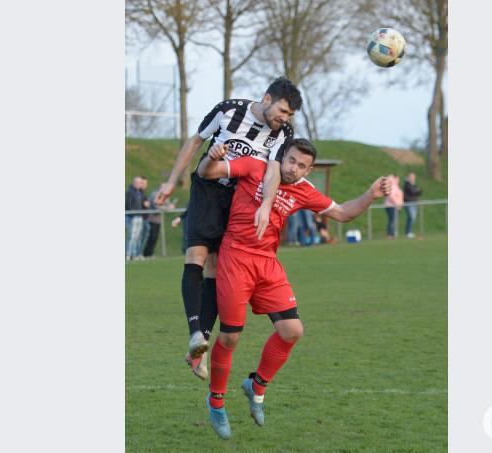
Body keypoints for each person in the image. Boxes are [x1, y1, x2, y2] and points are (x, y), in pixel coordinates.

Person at [196, 138, 391, 439]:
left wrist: (371, 194)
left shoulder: (304, 190)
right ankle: (216, 402)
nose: (293, 168)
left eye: (302, 165)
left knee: (292, 331)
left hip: (268, 264)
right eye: (291, 160)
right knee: (231, 336)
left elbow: (343, 213)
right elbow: (209, 172)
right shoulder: (255, 167)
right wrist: (212, 156)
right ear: (281, 156)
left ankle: (256, 386)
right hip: (236, 258)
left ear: (309, 170)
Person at [154, 77, 302, 380]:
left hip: (239, 201)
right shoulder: (228, 110)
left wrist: (264, 205)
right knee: (196, 255)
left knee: (217, 268)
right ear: (266, 98)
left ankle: (199, 349)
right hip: (207, 187)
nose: (284, 119)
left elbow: (273, 169)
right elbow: (195, 141)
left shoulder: (282, 133)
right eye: (283, 111)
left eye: (289, 115)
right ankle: (195, 332)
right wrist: (171, 181)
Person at [125, 176, 145, 260]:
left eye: (140, 182)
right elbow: (129, 205)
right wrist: (135, 213)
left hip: (139, 217)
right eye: (137, 182)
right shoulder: (130, 192)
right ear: (133, 182)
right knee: (132, 236)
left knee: (137, 236)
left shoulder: (140, 192)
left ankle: (135, 254)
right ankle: (128, 254)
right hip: (133, 217)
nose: (139, 184)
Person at [402, 172, 422, 238]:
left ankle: (409, 232)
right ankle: (408, 232)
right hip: (408, 203)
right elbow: (412, 192)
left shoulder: (413, 184)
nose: (413, 178)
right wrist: (416, 190)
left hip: (414, 203)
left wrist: (416, 190)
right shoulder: (407, 184)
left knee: (413, 218)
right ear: (408, 177)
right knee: (411, 217)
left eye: (414, 177)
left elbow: (419, 192)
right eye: (412, 177)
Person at [384, 174, 404, 239]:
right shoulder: (392, 186)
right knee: (392, 220)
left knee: (393, 220)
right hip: (391, 206)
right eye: (398, 179)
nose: (399, 180)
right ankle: (390, 234)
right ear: (395, 179)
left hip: (396, 206)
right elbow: (391, 196)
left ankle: (392, 233)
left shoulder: (396, 186)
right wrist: (397, 203)